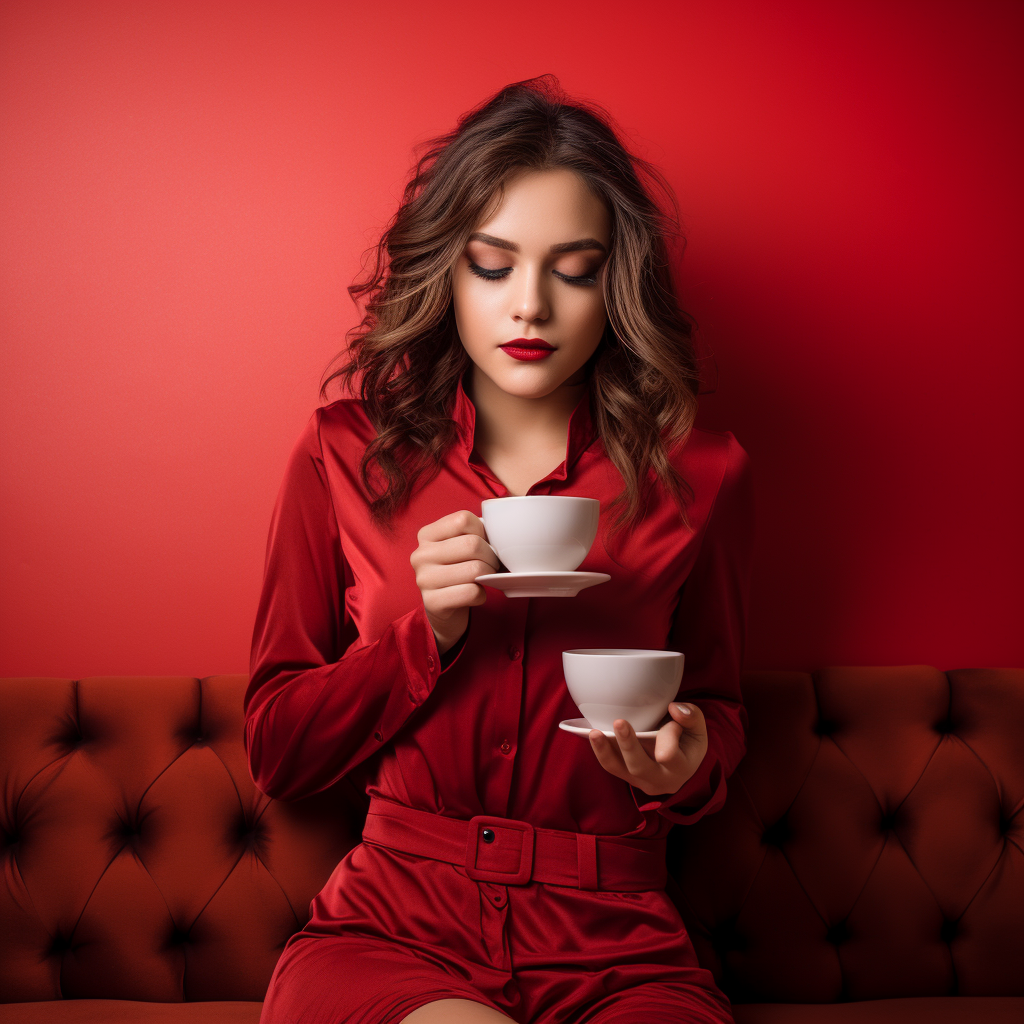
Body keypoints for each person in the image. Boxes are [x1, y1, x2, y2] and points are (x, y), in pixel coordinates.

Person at [245, 75, 755, 1024]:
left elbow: (718, 707)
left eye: (574, 268)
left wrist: (686, 762)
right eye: (492, 263)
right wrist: (421, 639)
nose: (530, 305)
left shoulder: (705, 474)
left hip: (619, 940)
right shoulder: (344, 452)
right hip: (395, 925)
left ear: (618, 283)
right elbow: (276, 750)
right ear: (447, 270)